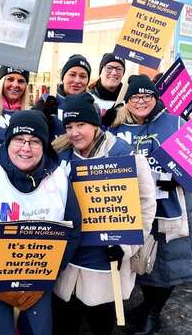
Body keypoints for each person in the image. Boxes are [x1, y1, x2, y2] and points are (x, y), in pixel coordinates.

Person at [0, 110, 81, 335]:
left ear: (44, 145)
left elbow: (72, 230)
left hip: (38, 282)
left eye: (34, 141)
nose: (25, 148)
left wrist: (50, 274)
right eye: (19, 140)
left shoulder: (59, 178)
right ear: (8, 142)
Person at [108, 75, 192, 334]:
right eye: (135, 96)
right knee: (140, 265)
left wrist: (184, 170)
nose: (141, 101)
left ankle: (153, 312)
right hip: (132, 208)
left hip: (171, 207)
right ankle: (146, 305)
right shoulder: (117, 126)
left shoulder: (175, 121)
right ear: (127, 100)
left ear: (155, 98)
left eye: (147, 96)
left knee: (167, 266)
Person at [50, 93, 156, 335]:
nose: (75, 132)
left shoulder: (121, 153)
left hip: (105, 260)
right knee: (65, 322)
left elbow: (146, 204)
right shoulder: (62, 155)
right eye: (69, 126)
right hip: (69, 259)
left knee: (101, 322)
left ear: (95, 124)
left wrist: (126, 246)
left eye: (81, 125)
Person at [35, 54, 92, 137]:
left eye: (83, 76)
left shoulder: (92, 106)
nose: (77, 80)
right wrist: (44, 118)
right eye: (72, 75)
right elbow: (32, 132)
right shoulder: (46, 100)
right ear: (63, 77)